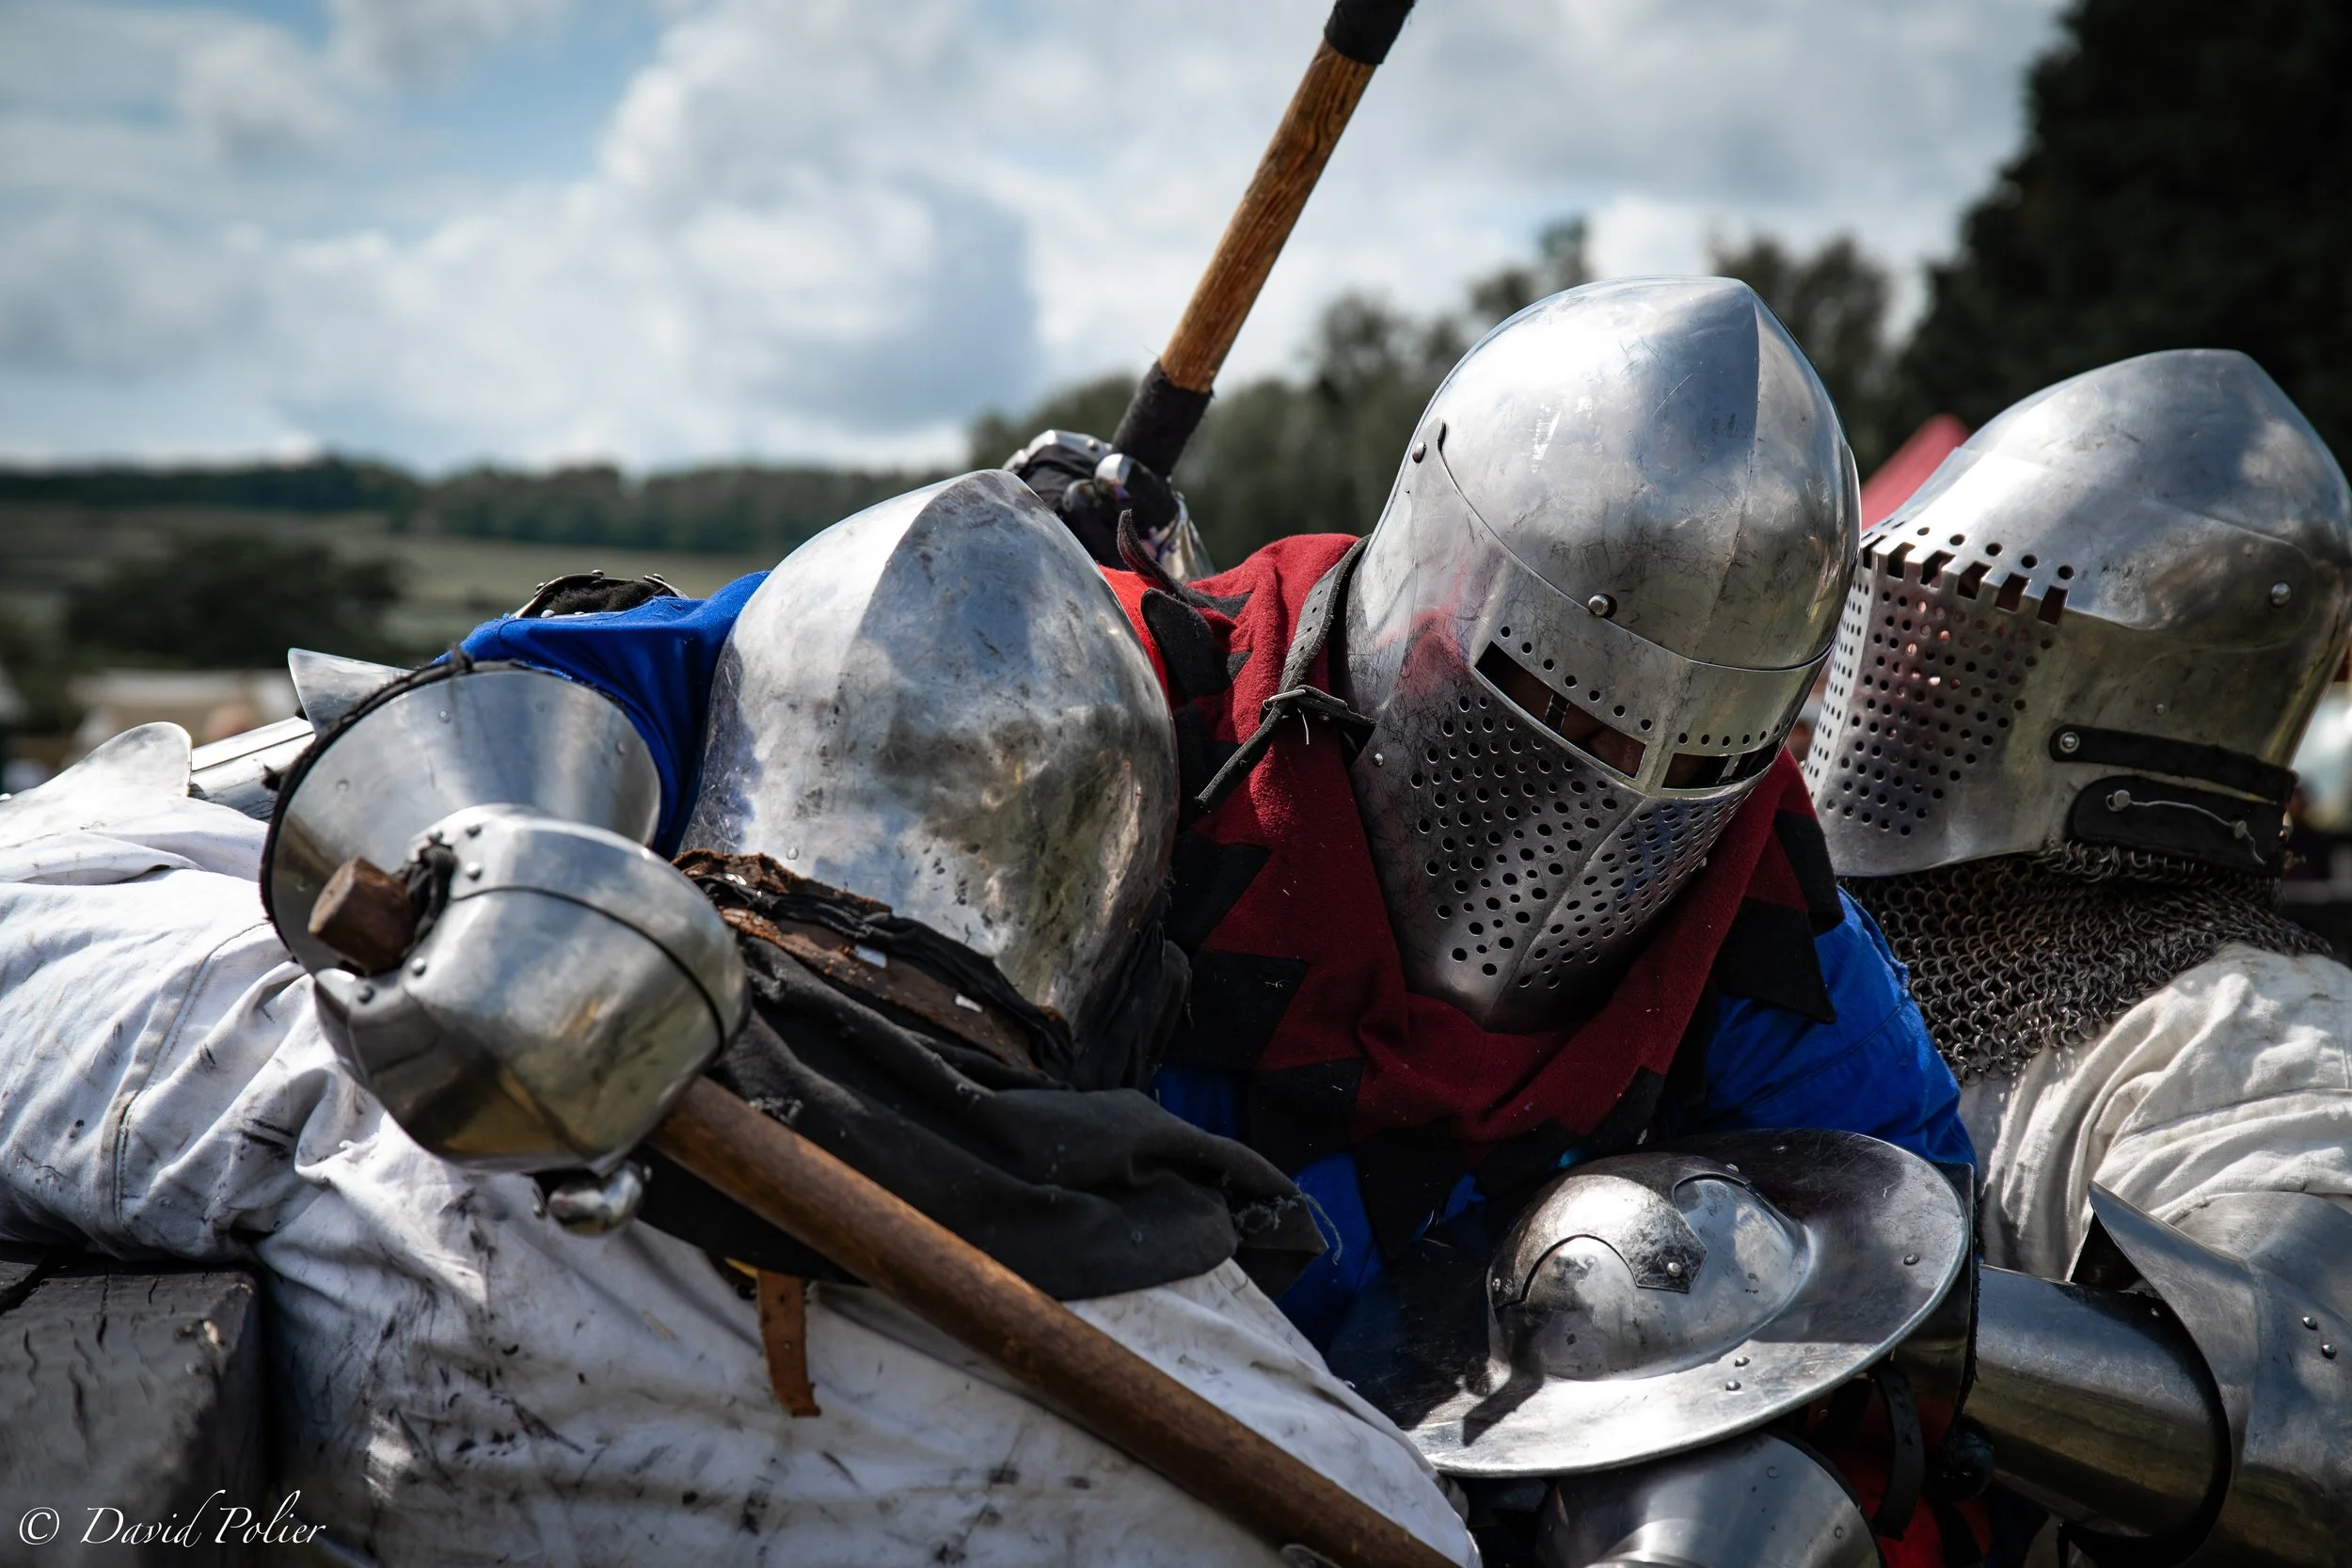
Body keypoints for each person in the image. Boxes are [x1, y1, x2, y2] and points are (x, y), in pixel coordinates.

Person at [0, 473, 1473, 1567]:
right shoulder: (1305, 1460)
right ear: (1109, 942)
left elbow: (33, 902)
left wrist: (478, 904)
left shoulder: (347, 1111)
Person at [1805, 347, 2352, 1561]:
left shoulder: (2257, 1037)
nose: (1910, 675)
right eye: (1902, 624)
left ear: (2145, 702)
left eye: (1975, 638)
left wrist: (1863, 1316)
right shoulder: (1799, 942)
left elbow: (2312, 1425)